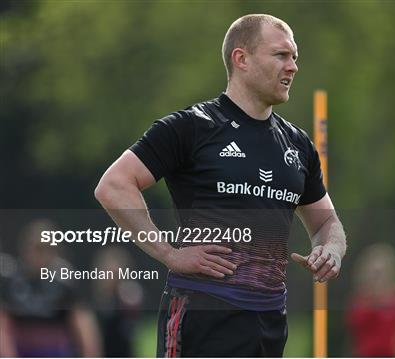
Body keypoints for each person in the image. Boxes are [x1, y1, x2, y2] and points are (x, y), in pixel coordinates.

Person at [95, 14, 346, 357]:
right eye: (281, 55)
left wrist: (331, 249)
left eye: (295, 57)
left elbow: (326, 223)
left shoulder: (297, 144)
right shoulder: (192, 127)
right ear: (241, 59)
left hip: (270, 318)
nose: (293, 67)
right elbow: (114, 185)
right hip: (203, 313)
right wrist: (169, 253)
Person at [0, 220, 102, 357]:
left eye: (46, 249)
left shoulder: (65, 283)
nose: (39, 255)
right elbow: (4, 325)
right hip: (22, 350)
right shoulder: (12, 281)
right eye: (36, 248)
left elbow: (84, 325)